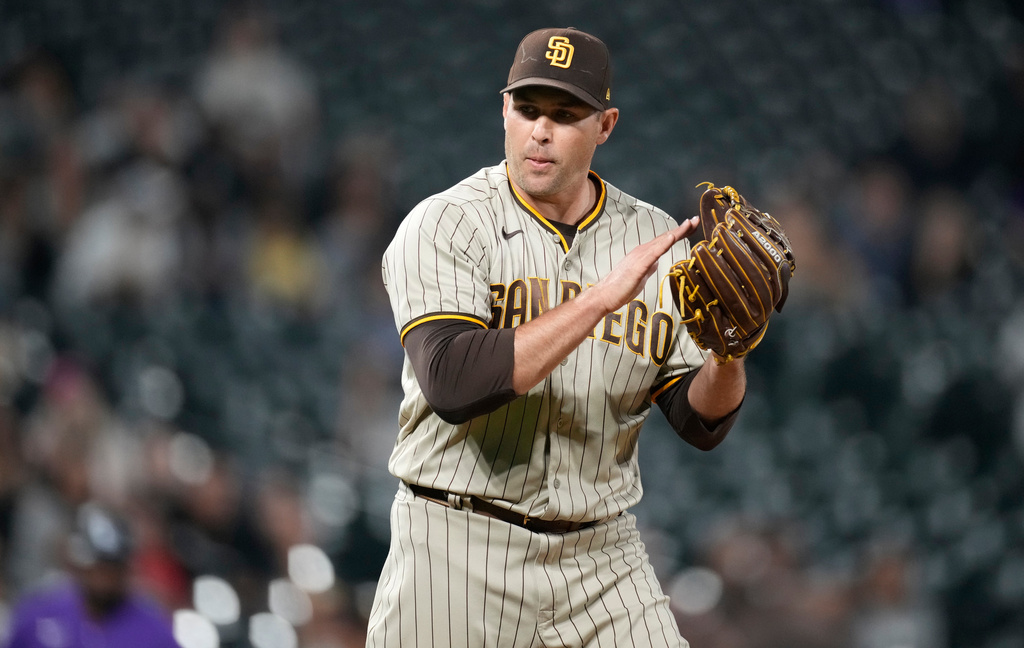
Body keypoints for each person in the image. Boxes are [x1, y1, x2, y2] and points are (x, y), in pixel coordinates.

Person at [367, 27, 747, 648]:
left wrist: (729, 354)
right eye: (528, 109)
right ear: (504, 110)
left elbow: (698, 422)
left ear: (606, 125)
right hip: (456, 545)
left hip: (602, 556)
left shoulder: (652, 235)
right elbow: (454, 382)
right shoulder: (447, 223)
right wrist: (599, 298)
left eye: (566, 114)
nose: (541, 130)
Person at [3, 501, 180, 648]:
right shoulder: (38, 613)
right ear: (78, 563)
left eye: (111, 568)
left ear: (126, 569)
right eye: (96, 566)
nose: (102, 578)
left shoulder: (154, 630)